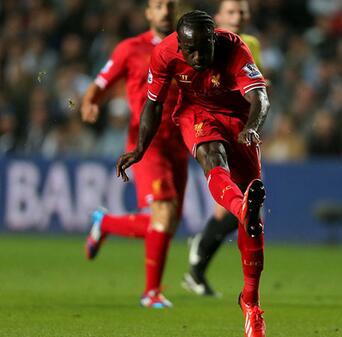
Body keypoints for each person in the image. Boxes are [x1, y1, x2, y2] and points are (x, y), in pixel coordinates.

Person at [116, 10, 269, 337]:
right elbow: (153, 104)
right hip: (195, 113)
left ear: (214, 38)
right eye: (191, 50)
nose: (198, 56)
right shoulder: (164, 53)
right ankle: (240, 205)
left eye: (204, 48)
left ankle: (251, 303)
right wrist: (140, 149)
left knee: (253, 222)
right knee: (210, 156)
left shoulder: (235, 47)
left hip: (239, 119)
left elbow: (260, 98)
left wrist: (252, 129)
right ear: (180, 47)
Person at [81, 0, 188, 308]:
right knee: (163, 215)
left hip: (179, 141)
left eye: (169, 5)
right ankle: (151, 292)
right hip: (146, 142)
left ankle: (105, 223)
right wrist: (90, 102)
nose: (165, 10)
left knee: (168, 222)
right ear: (148, 13)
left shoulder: (187, 45)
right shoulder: (130, 48)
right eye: (158, 5)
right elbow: (101, 83)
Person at [183, 0, 262, 297]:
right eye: (231, 12)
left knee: (236, 212)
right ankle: (198, 264)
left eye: (242, 11)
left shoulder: (251, 44)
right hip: (208, 125)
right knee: (240, 209)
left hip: (240, 129)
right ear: (218, 18)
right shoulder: (200, 46)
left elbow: (256, 85)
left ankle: (198, 258)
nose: (238, 17)